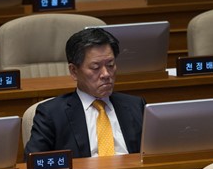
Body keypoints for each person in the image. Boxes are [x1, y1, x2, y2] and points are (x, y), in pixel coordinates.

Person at [24, 28, 146, 158]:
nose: (106, 74)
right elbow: (33, 162)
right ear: (74, 71)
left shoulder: (136, 105)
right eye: (95, 67)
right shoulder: (52, 114)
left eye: (110, 65)